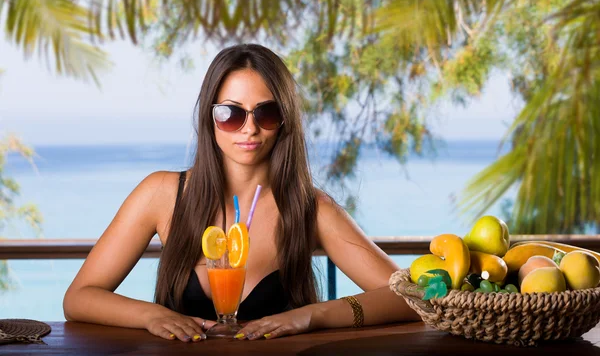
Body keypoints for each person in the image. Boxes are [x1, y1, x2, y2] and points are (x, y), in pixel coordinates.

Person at [63, 44, 420, 342]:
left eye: (266, 113)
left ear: (284, 121)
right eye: (231, 114)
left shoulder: (310, 209)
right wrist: (150, 315)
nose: (249, 129)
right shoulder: (162, 193)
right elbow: (79, 298)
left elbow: (411, 298)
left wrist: (313, 315)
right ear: (209, 117)